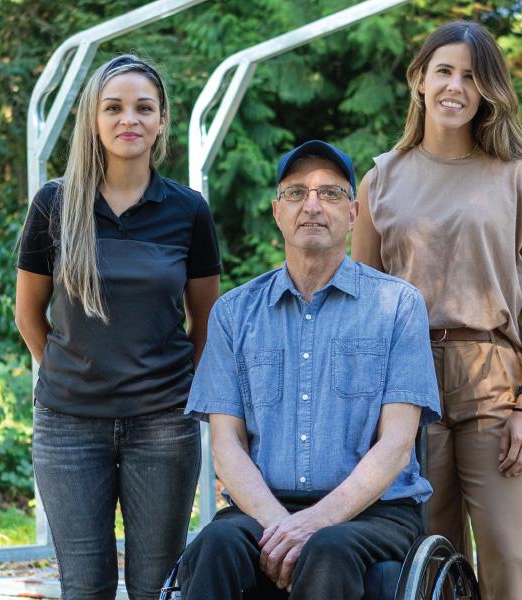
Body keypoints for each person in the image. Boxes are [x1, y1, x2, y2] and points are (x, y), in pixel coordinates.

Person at [351, 21, 522, 600]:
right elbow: (363, 300)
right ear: (419, 79)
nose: (455, 86)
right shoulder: (379, 180)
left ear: (488, 90)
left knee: (509, 560)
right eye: (444, 71)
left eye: (472, 76)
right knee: (427, 562)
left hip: (494, 378)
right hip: (407, 385)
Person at [179, 140, 440, 599]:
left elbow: (398, 444)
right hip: (263, 508)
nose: (313, 206)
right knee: (215, 543)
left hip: (375, 513)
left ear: (354, 212)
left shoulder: (397, 305)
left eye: (331, 194)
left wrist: (315, 523)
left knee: (327, 548)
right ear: (277, 211)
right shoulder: (233, 313)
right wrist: (283, 525)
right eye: (297, 193)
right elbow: (226, 445)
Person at [15, 54, 220, 599]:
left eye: (142, 108)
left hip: (162, 426)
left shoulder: (188, 210)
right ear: (94, 119)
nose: (128, 118)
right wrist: (73, 367)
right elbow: (28, 313)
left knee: (156, 584)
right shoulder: (55, 204)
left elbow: (204, 321)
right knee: (85, 585)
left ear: (160, 120)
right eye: (114, 108)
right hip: (67, 425)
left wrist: (172, 390)